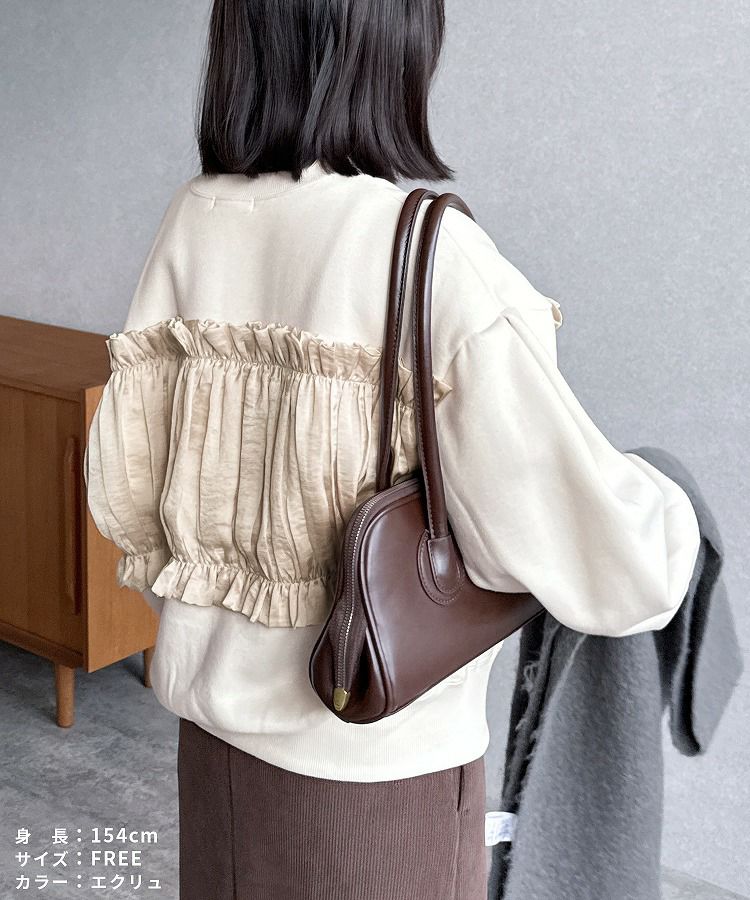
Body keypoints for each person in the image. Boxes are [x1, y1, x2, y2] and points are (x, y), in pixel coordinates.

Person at [83, 1, 701, 898]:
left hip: (211, 760)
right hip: (374, 778)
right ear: (394, 39)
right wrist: (672, 510)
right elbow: (603, 562)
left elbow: (141, 497)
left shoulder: (196, 218)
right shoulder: (433, 253)